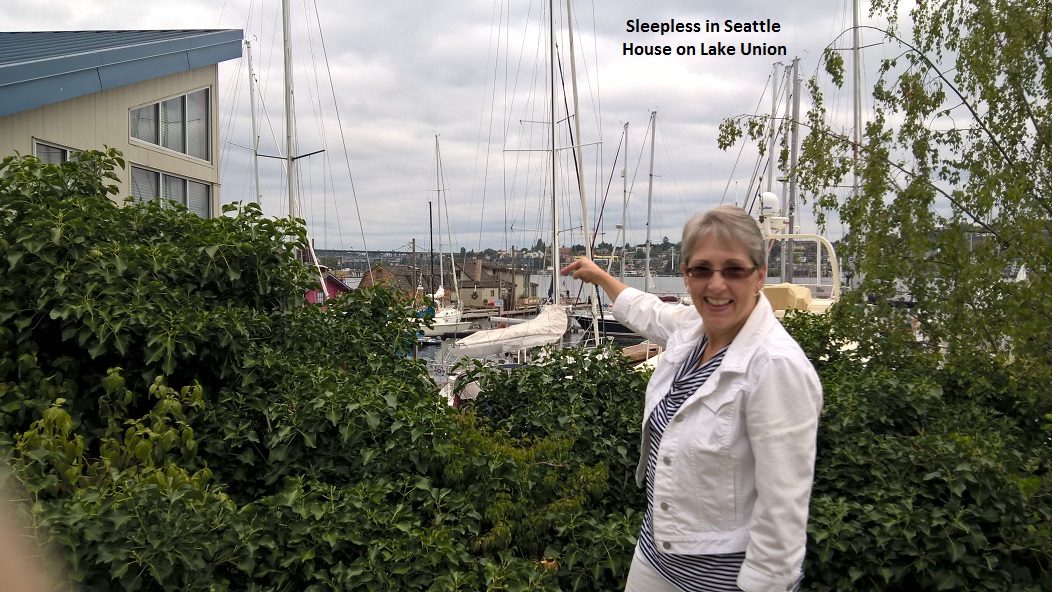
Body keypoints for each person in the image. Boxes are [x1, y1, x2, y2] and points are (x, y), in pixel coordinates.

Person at [561, 205, 822, 592]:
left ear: (759, 276)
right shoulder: (694, 329)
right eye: (701, 270)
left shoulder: (776, 367)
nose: (715, 285)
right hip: (655, 557)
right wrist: (600, 276)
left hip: (721, 581)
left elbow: (783, 509)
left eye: (733, 270)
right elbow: (648, 311)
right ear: (686, 275)